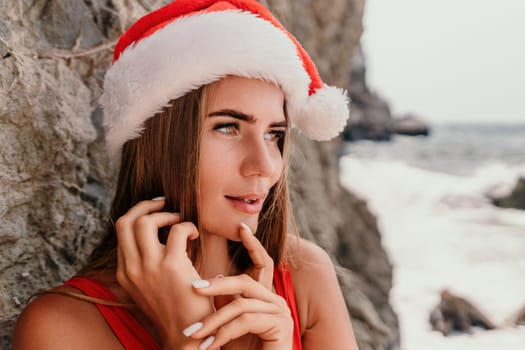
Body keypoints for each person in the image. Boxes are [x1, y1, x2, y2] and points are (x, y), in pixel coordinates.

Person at [12, 1, 358, 349]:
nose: (265, 166)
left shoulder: (305, 277)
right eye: (228, 127)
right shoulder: (61, 328)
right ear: (158, 143)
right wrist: (186, 334)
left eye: (274, 134)